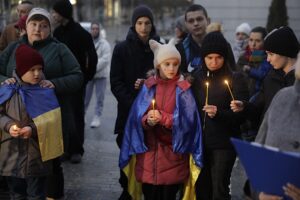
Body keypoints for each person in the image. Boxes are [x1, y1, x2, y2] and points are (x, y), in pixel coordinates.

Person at [0, 7, 83, 200]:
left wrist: (55, 83)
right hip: (16, 117)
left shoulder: (59, 48)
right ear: (26, 26)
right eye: (34, 24)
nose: (38, 29)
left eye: (44, 25)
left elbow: (77, 76)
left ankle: (53, 196)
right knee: (18, 167)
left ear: (50, 28)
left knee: (51, 163)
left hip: (48, 116)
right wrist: (5, 80)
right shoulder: (13, 48)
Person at [119, 39, 203, 200]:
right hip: (148, 157)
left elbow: (188, 123)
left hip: (173, 158)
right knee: (149, 195)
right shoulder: (149, 86)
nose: (171, 68)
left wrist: (163, 118)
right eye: (167, 64)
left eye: (175, 64)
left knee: (168, 195)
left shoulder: (183, 89)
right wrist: (147, 121)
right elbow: (136, 118)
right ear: (158, 65)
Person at [230, 26, 300, 199]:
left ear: (284, 52)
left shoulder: (291, 85)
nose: (267, 60)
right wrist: (245, 107)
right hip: (271, 157)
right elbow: (260, 105)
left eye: (271, 54)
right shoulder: (271, 77)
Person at [0, 44, 64, 200]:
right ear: (21, 70)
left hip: (37, 158)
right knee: (16, 195)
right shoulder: (8, 89)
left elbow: (52, 119)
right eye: (32, 70)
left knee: (37, 195)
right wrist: (8, 126)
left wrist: (32, 129)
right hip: (11, 156)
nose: (37, 74)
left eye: (40, 69)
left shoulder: (45, 91)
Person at [110, 4, 161, 200]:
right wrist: (133, 105)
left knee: (149, 155)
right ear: (134, 25)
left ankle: (148, 190)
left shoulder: (159, 47)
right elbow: (116, 82)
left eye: (147, 23)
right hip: (128, 112)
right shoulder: (122, 49)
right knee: (128, 153)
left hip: (153, 111)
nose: (144, 27)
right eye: (140, 23)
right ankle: (128, 190)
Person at [192, 31, 249, 200]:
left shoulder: (236, 78)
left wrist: (219, 114)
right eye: (209, 58)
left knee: (219, 189)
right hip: (201, 144)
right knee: (202, 189)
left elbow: (241, 115)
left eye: (218, 57)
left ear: (225, 57)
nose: (214, 62)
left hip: (224, 144)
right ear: (203, 57)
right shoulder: (197, 77)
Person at [52, 0, 98, 163]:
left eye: (55, 12)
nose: (53, 15)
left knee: (76, 115)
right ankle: (65, 149)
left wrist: (86, 77)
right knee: (62, 117)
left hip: (77, 82)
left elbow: (91, 57)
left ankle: (77, 149)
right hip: (59, 83)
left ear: (63, 13)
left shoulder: (80, 33)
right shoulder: (56, 33)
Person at [255, 53, 300, 200]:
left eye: (272, 53)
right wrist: (259, 193)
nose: (268, 59)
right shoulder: (283, 97)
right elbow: (259, 150)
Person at [85, 22, 111, 128]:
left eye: (96, 29)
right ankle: (83, 114)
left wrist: (92, 67)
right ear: (90, 30)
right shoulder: (86, 42)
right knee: (86, 97)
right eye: (93, 29)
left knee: (100, 97)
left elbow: (105, 59)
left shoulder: (104, 44)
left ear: (99, 30)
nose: (95, 30)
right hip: (89, 75)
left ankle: (97, 116)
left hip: (101, 75)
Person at [176, 4, 210, 74]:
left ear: (208, 21)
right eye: (191, 21)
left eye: (199, 19)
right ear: (186, 24)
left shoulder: (222, 45)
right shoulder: (179, 49)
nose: (196, 23)